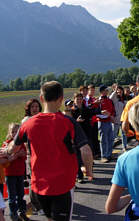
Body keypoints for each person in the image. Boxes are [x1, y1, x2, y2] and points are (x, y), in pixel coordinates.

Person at [3, 81, 93, 221]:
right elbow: (86, 150)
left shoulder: (27, 124)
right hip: (62, 186)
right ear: (61, 99)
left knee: (49, 217)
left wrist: (6, 151)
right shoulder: (68, 122)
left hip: (38, 187)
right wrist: (89, 171)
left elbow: (12, 147)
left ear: (41, 98)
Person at [2, 123, 28, 221]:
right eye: (12, 132)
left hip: (20, 173)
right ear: (9, 133)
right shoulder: (6, 144)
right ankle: (13, 214)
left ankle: (22, 212)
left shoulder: (21, 144)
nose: (14, 133)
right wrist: (14, 156)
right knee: (12, 196)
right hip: (10, 173)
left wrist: (21, 154)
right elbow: (5, 158)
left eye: (16, 132)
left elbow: (25, 155)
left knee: (21, 194)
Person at [97, 85, 116, 163]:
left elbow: (113, 110)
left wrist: (112, 116)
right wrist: (104, 114)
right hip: (102, 122)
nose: (107, 91)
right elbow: (96, 112)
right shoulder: (98, 100)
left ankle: (109, 154)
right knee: (104, 140)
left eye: (107, 90)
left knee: (110, 139)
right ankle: (104, 156)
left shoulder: (109, 100)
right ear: (102, 92)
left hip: (109, 122)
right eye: (105, 90)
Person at [109, 86, 128, 151]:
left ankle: (124, 146)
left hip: (123, 119)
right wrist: (115, 91)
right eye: (118, 91)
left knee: (124, 134)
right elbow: (110, 98)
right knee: (113, 135)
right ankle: (110, 147)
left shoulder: (124, 98)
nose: (119, 92)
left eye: (120, 91)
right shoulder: (115, 99)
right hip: (116, 119)